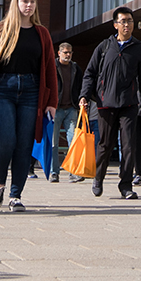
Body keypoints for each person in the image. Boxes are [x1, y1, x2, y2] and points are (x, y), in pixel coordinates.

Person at [0, 0, 58, 211]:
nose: (29, 5)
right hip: (3, 90)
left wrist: (52, 102)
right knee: (6, 139)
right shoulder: (0, 30)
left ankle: (15, 195)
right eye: (25, 1)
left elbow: (49, 69)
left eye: (32, 2)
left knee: (24, 144)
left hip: (32, 91)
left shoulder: (42, 34)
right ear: (16, 3)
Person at [79, 6, 141, 199]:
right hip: (105, 103)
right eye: (123, 21)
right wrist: (84, 96)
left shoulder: (139, 49)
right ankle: (98, 178)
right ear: (115, 25)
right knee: (105, 144)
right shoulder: (105, 47)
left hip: (129, 104)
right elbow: (89, 73)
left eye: (130, 21)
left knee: (129, 145)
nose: (127, 24)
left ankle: (126, 185)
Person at [50, 42, 81, 182]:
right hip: (55, 108)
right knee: (53, 143)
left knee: (73, 141)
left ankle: (73, 172)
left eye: (70, 52)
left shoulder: (75, 68)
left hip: (71, 108)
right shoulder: (52, 67)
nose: (68, 55)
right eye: (65, 52)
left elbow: (81, 85)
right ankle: (54, 172)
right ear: (59, 53)